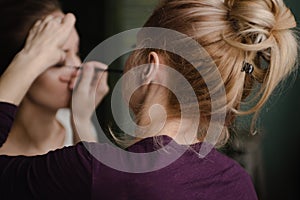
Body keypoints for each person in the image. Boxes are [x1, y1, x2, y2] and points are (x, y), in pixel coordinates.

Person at [0, 0, 297, 199]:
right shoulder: (238, 183)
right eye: (54, 59)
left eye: (136, 48)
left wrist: (29, 59)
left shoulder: (96, 171)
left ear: (150, 68)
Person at [0, 0, 106, 156]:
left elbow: (94, 179)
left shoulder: (78, 129)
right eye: (58, 63)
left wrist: (81, 122)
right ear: (18, 70)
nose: (78, 68)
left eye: (77, 53)